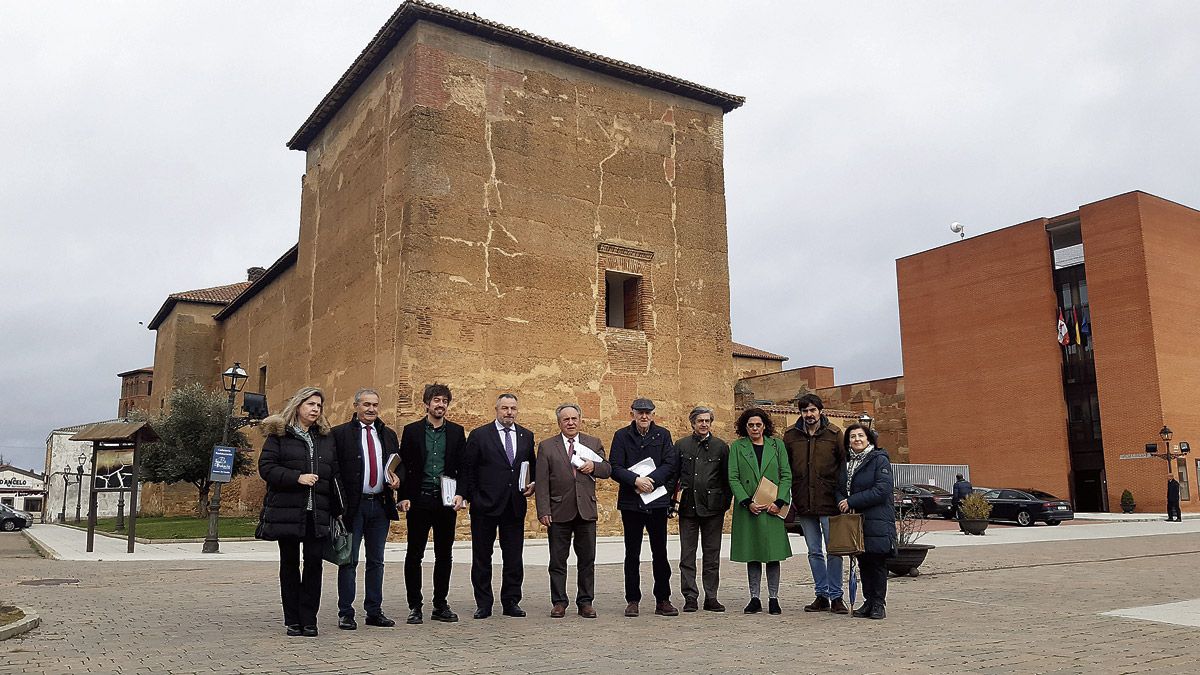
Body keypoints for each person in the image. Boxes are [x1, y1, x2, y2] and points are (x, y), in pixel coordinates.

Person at [257, 386, 341, 637]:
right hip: (288, 511)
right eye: (310, 404)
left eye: (318, 405)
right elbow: (267, 468)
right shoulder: (279, 435)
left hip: (317, 512)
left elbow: (334, 474)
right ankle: (292, 619)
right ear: (298, 405)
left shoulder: (325, 437)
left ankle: (309, 618)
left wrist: (338, 509)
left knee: (315, 564)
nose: (315, 409)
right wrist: (297, 478)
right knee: (290, 565)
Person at [460, 393, 537, 619]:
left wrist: (533, 484)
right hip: (485, 505)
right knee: (482, 556)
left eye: (513, 408)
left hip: (514, 505)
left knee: (513, 556)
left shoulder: (526, 435)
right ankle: (483, 603)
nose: (509, 412)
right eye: (505, 408)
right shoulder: (480, 435)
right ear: (496, 409)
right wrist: (472, 496)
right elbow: (468, 469)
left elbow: (530, 466)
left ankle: (511, 600)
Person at [397, 383, 467, 625]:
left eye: (444, 401)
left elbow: (464, 467)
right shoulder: (412, 431)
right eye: (436, 400)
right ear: (426, 404)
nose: (440, 405)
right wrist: (403, 496)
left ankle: (440, 604)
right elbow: (403, 465)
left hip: (446, 502)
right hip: (420, 499)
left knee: (444, 555)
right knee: (414, 554)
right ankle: (414, 605)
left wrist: (461, 493)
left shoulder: (457, 432)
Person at [534, 403, 612, 618]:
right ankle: (559, 602)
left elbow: (607, 469)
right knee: (558, 560)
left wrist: (593, 467)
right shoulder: (547, 446)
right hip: (559, 510)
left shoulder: (592, 443)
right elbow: (541, 482)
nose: (570, 422)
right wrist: (543, 510)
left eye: (574, 419)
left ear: (580, 420)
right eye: (566, 419)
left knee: (587, 560)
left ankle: (585, 602)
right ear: (559, 422)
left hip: (586, 510)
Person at [332, 388, 401, 630]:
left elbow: (397, 465)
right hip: (354, 506)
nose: (371, 409)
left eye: (375, 405)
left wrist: (397, 480)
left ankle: (374, 611)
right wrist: (338, 504)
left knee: (376, 561)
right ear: (356, 406)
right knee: (349, 560)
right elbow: (334, 472)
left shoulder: (388, 434)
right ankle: (346, 612)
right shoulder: (340, 434)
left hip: (380, 505)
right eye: (366, 405)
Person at [610, 398, 679, 617]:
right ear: (632, 414)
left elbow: (670, 464)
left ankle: (663, 599)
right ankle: (632, 599)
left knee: (660, 552)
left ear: (652, 414)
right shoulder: (621, 436)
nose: (644, 416)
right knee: (632, 553)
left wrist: (651, 480)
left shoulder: (663, 434)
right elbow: (615, 466)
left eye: (648, 413)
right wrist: (635, 481)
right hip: (631, 502)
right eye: (640, 412)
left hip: (656, 501)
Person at [782, 393, 847, 614]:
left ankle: (837, 595)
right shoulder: (790, 435)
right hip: (804, 502)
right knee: (813, 551)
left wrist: (843, 495)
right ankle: (821, 594)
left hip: (830, 501)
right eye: (804, 411)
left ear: (820, 410)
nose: (809, 414)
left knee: (834, 550)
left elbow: (843, 466)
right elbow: (786, 467)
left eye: (812, 410)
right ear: (799, 413)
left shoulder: (835, 433)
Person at [727, 407, 792, 615]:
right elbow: (733, 477)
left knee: (773, 555)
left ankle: (774, 598)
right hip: (750, 508)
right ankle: (754, 597)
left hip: (773, 507)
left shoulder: (777, 445)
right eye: (750, 425)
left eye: (758, 424)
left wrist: (779, 501)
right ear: (744, 427)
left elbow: (786, 475)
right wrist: (747, 501)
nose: (755, 428)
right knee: (752, 553)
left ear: (765, 426)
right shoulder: (737, 447)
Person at [674, 405, 731, 612]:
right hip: (688, 507)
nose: (704, 424)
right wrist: (672, 503)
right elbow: (674, 477)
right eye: (700, 421)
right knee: (687, 555)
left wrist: (724, 503)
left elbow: (727, 479)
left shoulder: (721, 447)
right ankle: (690, 596)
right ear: (693, 423)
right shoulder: (681, 445)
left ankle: (711, 596)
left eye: (707, 421)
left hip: (713, 508)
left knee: (712, 554)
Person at [836, 423, 896, 620]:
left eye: (860, 436)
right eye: (852, 437)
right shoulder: (846, 463)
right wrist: (841, 502)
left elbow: (882, 489)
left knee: (877, 563)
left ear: (868, 438)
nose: (857, 440)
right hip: (857, 521)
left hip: (877, 519)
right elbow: (839, 488)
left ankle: (879, 603)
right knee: (863, 562)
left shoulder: (879, 460)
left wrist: (852, 501)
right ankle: (868, 601)